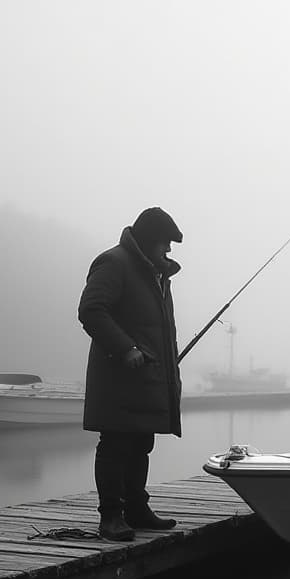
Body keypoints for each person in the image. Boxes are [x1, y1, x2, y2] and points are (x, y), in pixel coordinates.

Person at [78, 207, 185, 542]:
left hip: (146, 379)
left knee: (141, 442)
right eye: (165, 242)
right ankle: (111, 516)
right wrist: (126, 348)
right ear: (149, 239)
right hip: (118, 379)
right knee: (115, 445)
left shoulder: (155, 275)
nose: (168, 250)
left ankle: (137, 510)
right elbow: (91, 311)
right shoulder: (114, 263)